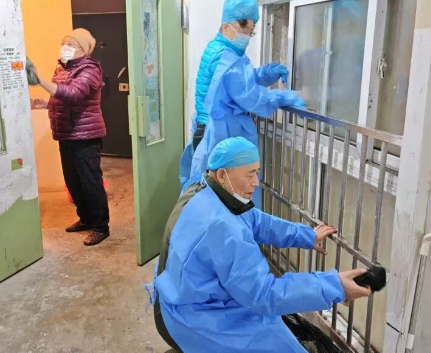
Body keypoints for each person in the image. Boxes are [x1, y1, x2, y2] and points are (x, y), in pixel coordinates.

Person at [154, 137, 371, 352]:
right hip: (192, 320)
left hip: (173, 298)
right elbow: (263, 294)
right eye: (249, 174)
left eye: (257, 173)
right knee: (278, 341)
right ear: (222, 175)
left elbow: (257, 221)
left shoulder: (202, 188)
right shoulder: (222, 228)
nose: (256, 182)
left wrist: (306, 235)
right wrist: (333, 286)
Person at [181, 0, 305, 202]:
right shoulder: (226, 56)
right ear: (226, 26)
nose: (247, 34)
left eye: (251, 30)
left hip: (211, 129)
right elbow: (249, 95)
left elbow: (243, 80)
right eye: (243, 27)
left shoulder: (224, 49)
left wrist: (267, 74)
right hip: (217, 133)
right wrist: (282, 98)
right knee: (222, 198)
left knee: (216, 194)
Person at [31, 28, 110, 246]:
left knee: (90, 182)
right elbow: (60, 99)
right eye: (64, 43)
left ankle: (101, 227)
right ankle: (86, 218)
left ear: (83, 50)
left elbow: (74, 95)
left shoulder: (90, 70)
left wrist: (39, 81)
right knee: (73, 182)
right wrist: (44, 103)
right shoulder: (62, 69)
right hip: (66, 134)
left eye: (71, 44)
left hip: (85, 136)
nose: (65, 47)